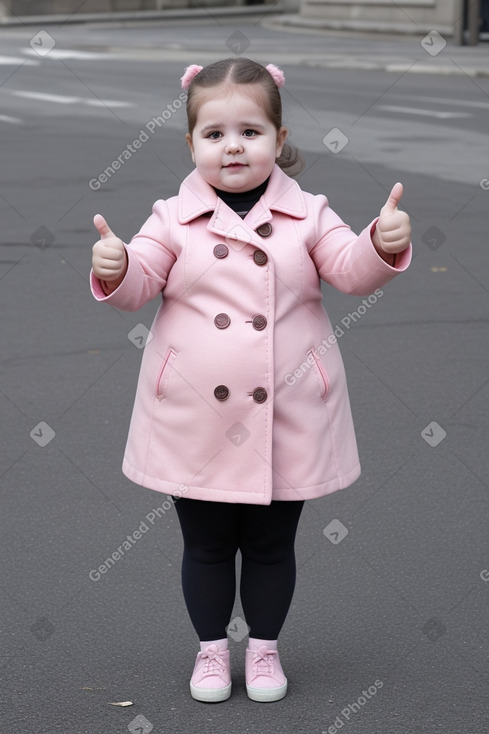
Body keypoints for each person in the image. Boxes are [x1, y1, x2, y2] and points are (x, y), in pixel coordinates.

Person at [90, 58, 412, 704]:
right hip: (193, 414)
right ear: (190, 144)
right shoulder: (170, 217)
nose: (232, 146)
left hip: (287, 408)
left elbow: (349, 271)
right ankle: (212, 652)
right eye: (213, 134)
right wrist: (116, 264)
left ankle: (262, 650)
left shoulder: (309, 214)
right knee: (205, 543)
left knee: (270, 544)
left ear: (279, 137)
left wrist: (381, 241)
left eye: (249, 131)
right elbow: (140, 283)